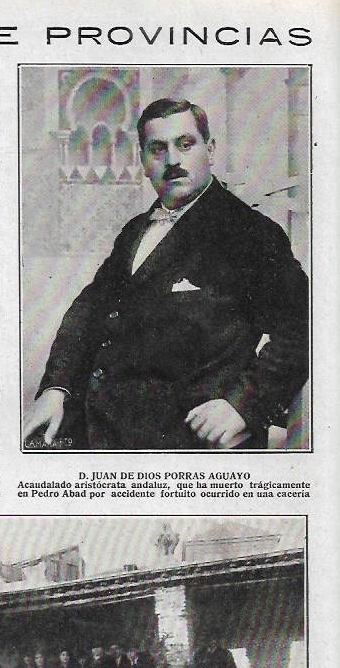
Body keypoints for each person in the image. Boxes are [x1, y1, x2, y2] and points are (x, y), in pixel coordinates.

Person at [24, 97, 309, 450]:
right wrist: (56, 388)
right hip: (99, 430)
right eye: (157, 149)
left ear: (211, 149)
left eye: (185, 144)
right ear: (143, 162)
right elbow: (90, 310)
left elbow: (305, 326)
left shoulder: (250, 233)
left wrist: (244, 406)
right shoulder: (134, 230)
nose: (173, 160)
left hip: (185, 443)